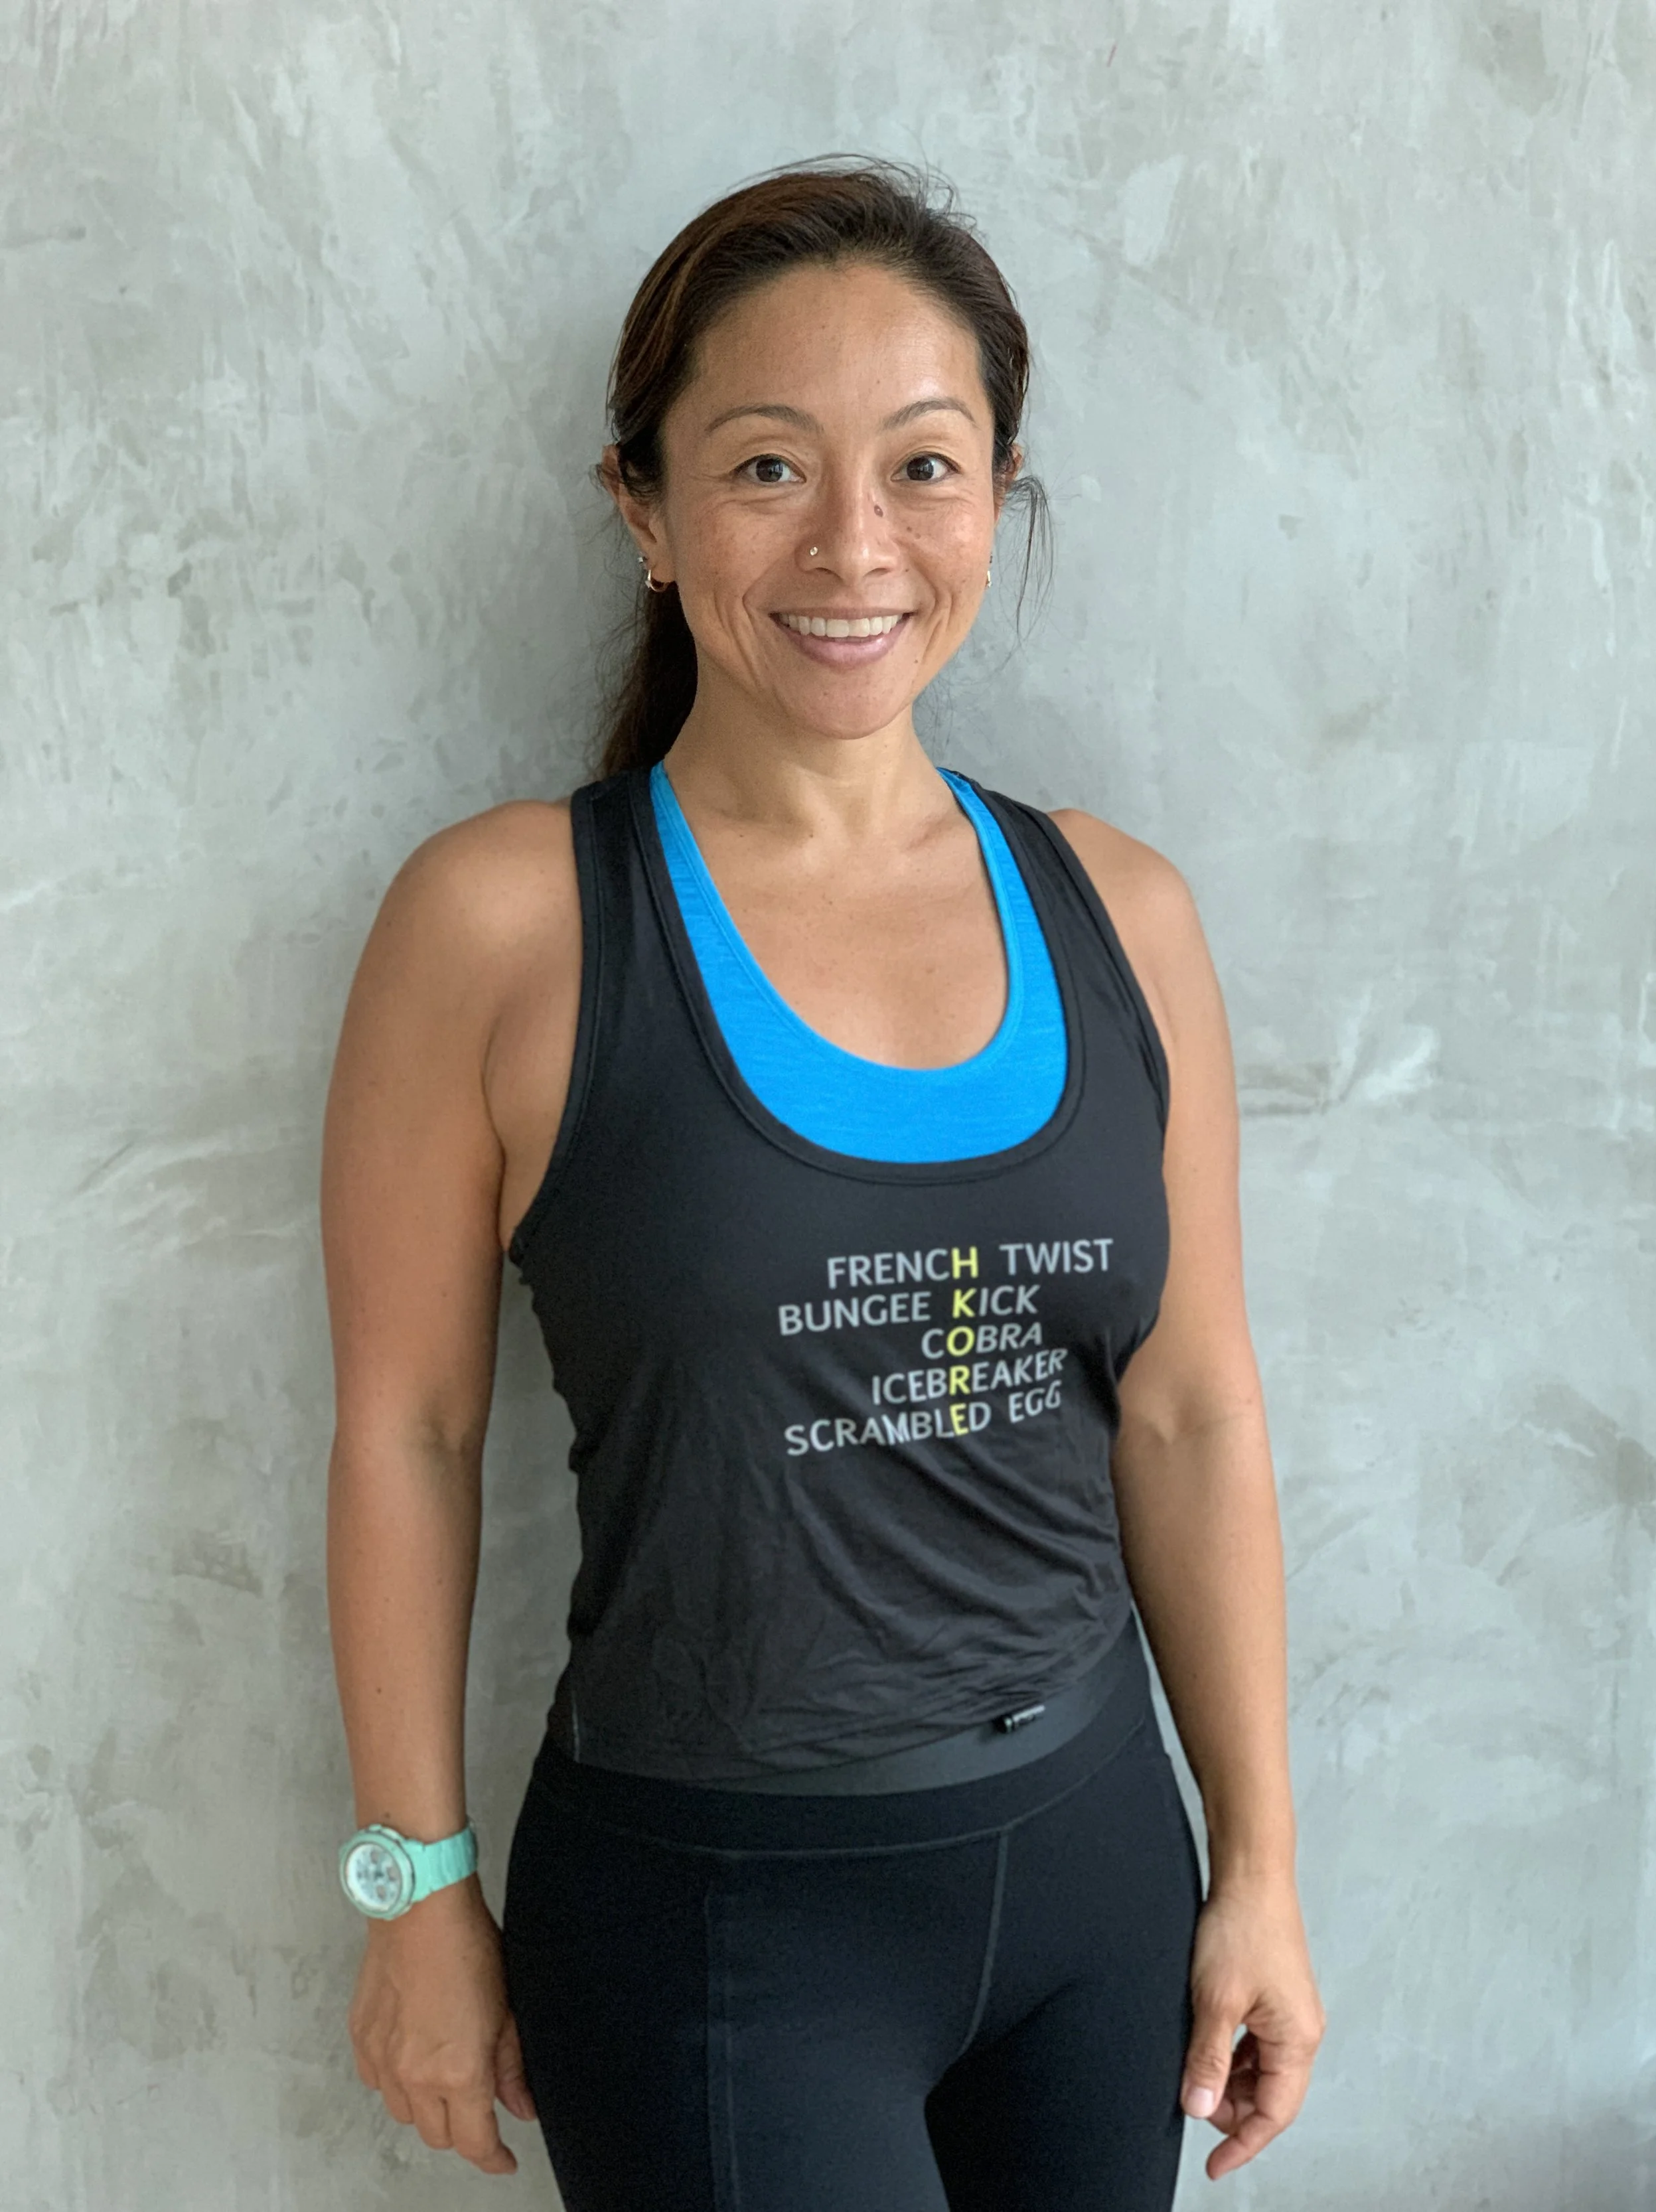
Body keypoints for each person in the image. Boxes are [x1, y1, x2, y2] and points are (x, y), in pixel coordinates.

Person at [321, 157, 1325, 2211]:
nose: (854, 545)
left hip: (1094, 1878)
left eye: (924, 467)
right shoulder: (508, 921)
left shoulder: (1119, 911)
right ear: (643, 504)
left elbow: (1192, 1408)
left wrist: (1260, 1869)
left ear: (997, 491)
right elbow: (407, 1429)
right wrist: (413, 1884)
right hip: (714, 1919)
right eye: (766, 465)